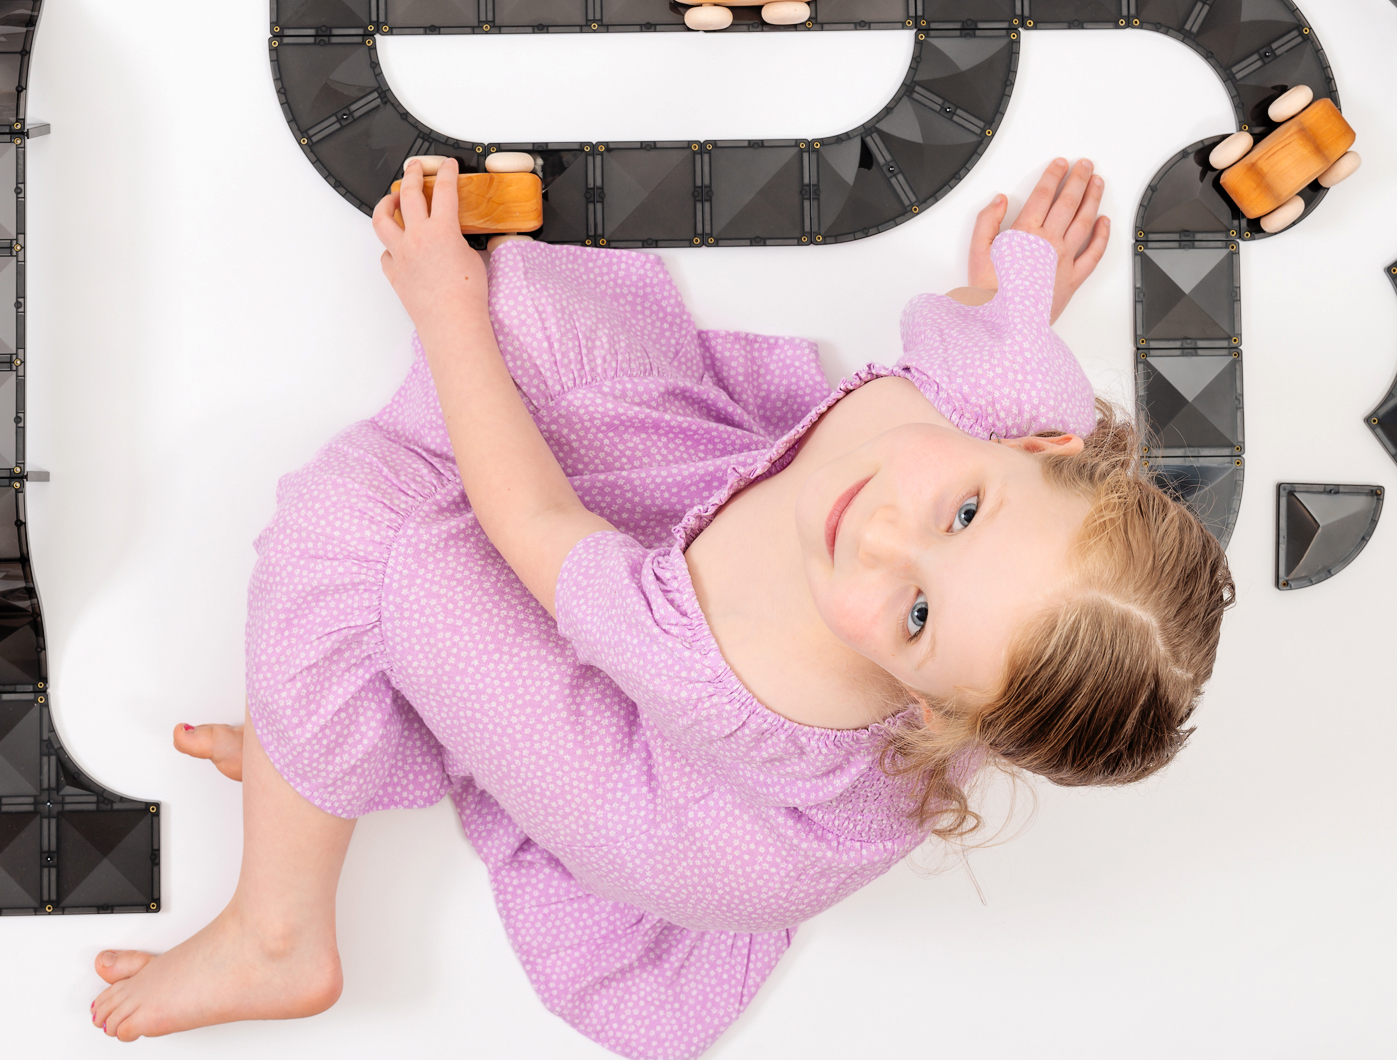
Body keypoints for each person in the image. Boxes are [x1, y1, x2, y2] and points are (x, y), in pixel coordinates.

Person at [90, 157, 1233, 1056]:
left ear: (925, 707)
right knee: (538, 323)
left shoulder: (748, 667)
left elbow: (533, 521)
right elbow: (990, 331)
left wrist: (443, 307)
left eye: (917, 617)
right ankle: (335, 744)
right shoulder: (1014, 389)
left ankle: (279, 930)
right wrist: (1013, 288)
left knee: (361, 532)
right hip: (720, 587)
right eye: (965, 512)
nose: (883, 534)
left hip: (672, 812)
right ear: (1038, 442)